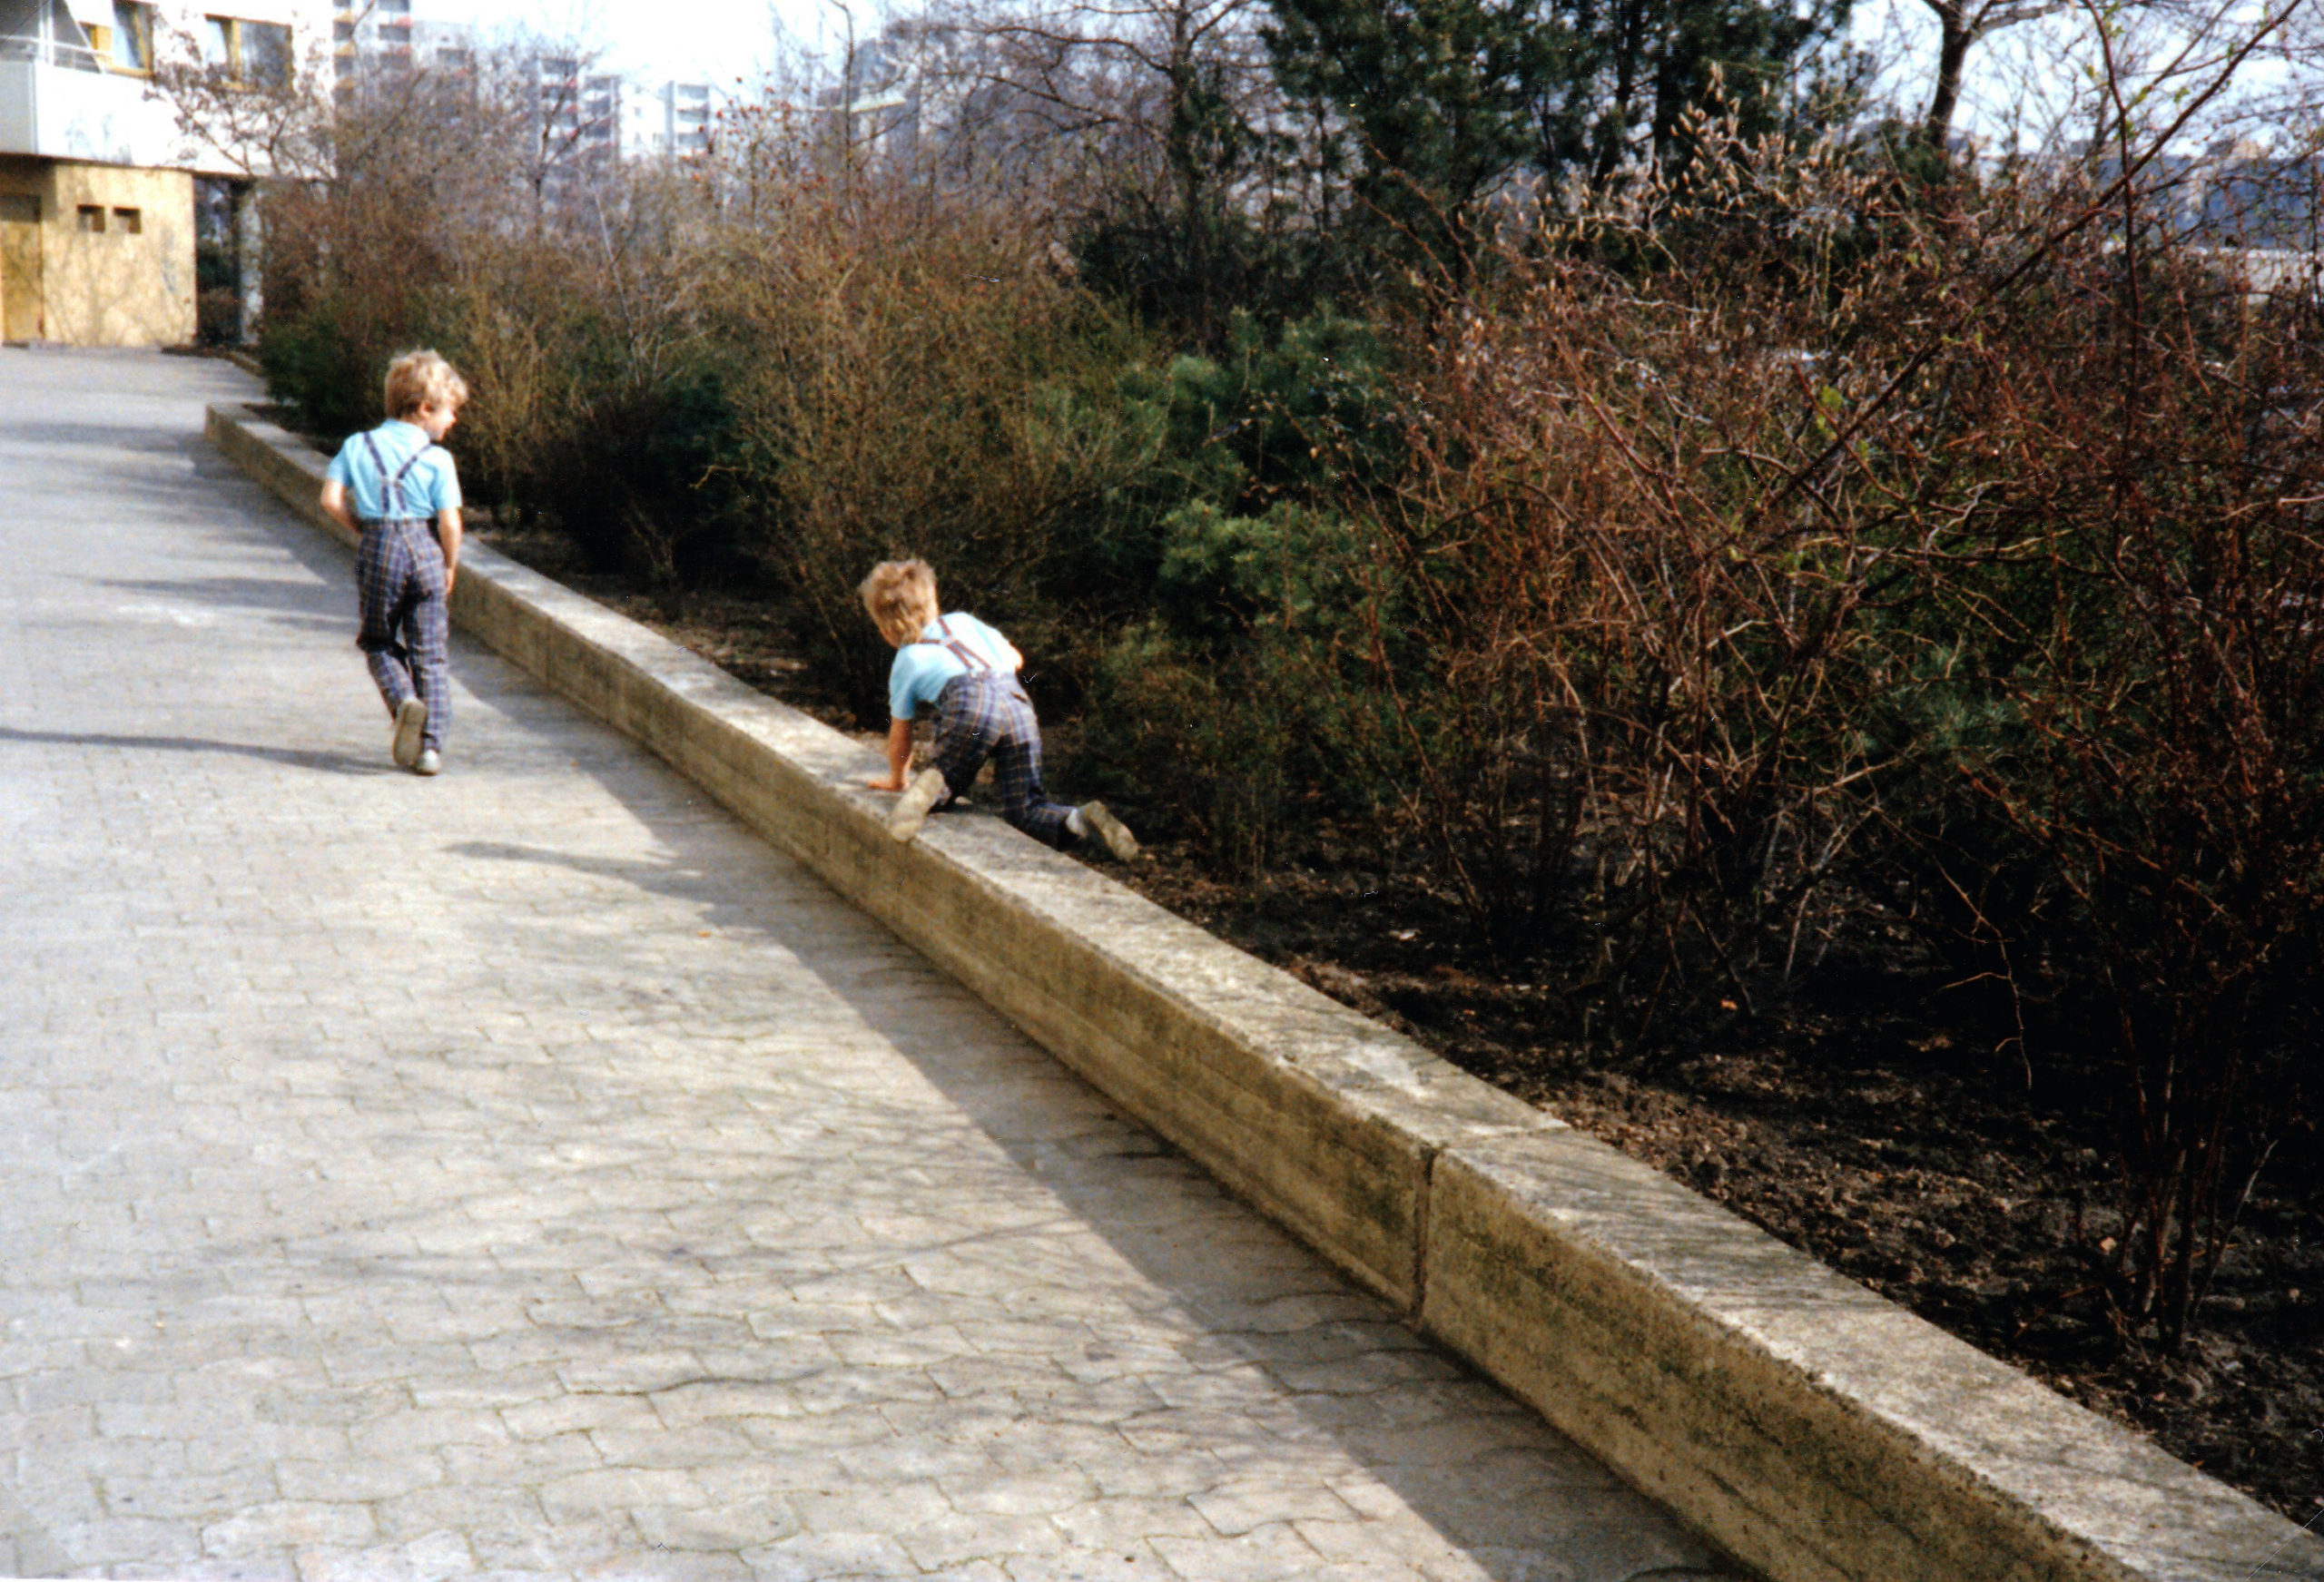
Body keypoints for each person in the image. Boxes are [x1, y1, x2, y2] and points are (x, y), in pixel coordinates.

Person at [861, 558, 1137, 859]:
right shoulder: (963, 621)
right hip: (1017, 707)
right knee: (1026, 809)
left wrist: (898, 779)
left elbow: (901, 734)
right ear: (933, 601)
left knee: (947, 779)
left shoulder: (907, 659)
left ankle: (933, 787)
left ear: (887, 631)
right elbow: (1016, 658)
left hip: (971, 709)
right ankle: (1078, 819)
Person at [320, 350, 468, 777]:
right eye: (450, 412)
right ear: (424, 409)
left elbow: (329, 500)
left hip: (378, 545)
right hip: (425, 548)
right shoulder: (439, 460)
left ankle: (403, 700)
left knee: (378, 641)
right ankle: (431, 749)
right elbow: (450, 524)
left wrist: (366, 532)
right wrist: (449, 565)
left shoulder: (356, 445)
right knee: (431, 653)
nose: (452, 421)